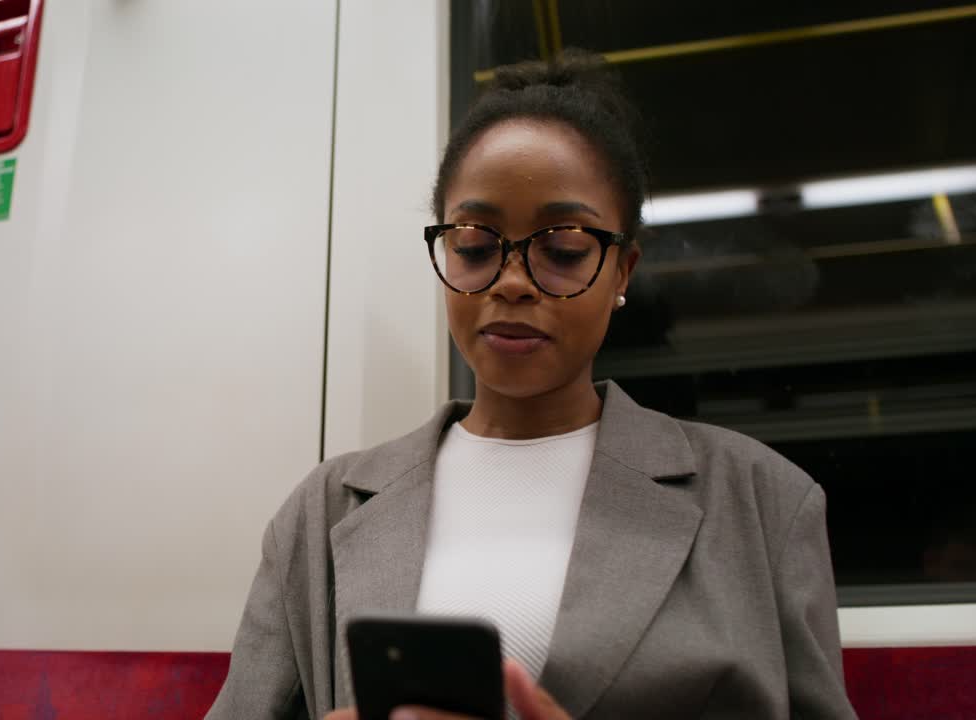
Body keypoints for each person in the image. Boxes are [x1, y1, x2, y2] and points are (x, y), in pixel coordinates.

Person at [207, 50, 856, 720]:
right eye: (475, 244)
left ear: (623, 271)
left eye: (564, 248)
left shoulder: (761, 503)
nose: (512, 280)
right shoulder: (323, 513)